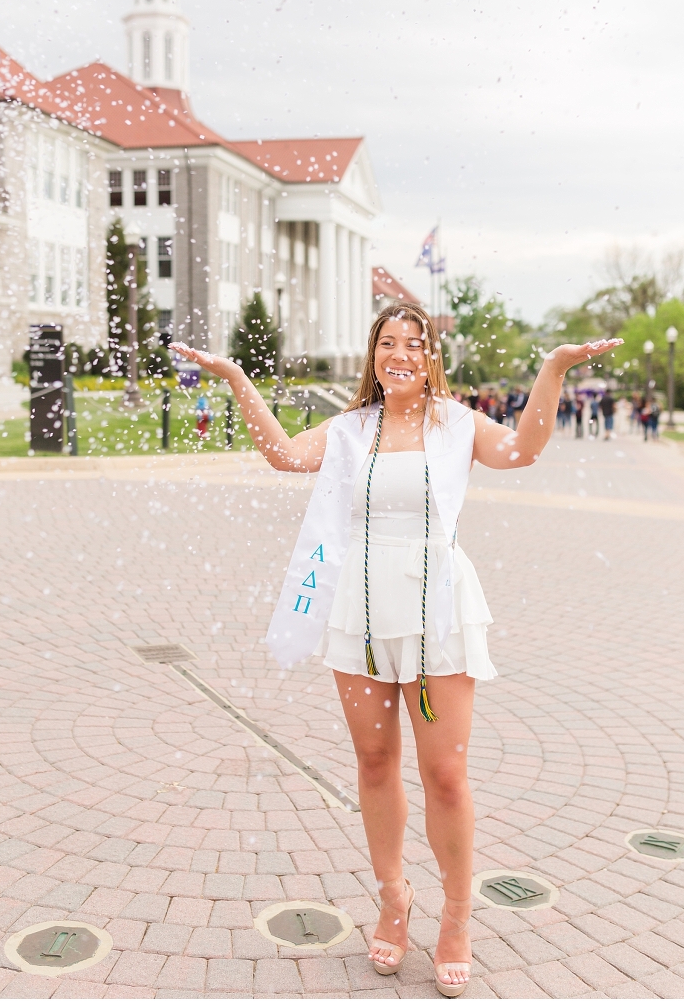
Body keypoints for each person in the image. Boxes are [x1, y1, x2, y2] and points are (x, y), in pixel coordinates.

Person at [171, 307, 621, 998]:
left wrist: (553, 367)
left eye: (414, 343)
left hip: (437, 610)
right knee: (375, 761)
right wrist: (235, 377)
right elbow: (287, 455)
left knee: (445, 775)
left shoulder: (458, 424)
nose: (401, 353)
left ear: (432, 356)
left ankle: (458, 918)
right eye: (388, 342)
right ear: (373, 354)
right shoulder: (351, 430)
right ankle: (392, 897)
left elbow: (523, 450)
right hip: (362, 609)